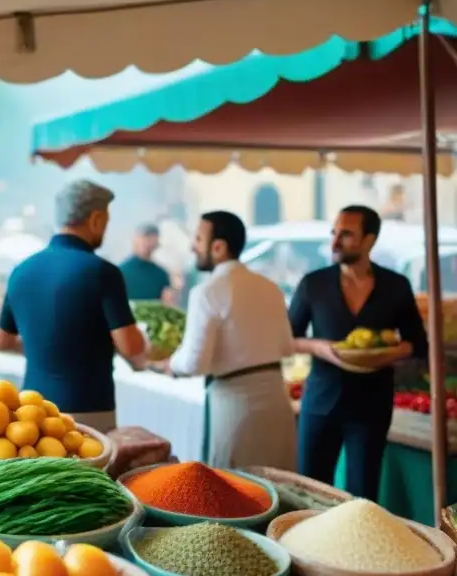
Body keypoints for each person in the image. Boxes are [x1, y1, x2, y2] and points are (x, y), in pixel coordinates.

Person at [290, 205, 428, 500]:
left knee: (363, 497)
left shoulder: (396, 286)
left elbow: (417, 343)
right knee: (309, 493)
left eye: (346, 234)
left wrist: (383, 355)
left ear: (369, 240)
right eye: (334, 233)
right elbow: (288, 339)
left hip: (371, 406)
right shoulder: (313, 283)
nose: (335, 242)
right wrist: (321, 348)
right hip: (319, 403)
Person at [0, 180, 146, 433]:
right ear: (95, 219)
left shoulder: (21, 271)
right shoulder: (103, 272)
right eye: (106, 220)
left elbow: (1, 340)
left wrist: (44, 346)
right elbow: (131, 346)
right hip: (88, 410)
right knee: (86, 473)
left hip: (32, 410)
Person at [154, 211, 297, 470]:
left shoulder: (207, 292)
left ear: (218, 247)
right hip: (278, 402)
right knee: (281, 490)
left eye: (198, 239)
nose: (192, 246)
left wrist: (168, 364)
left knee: (236, 494)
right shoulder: (270, 287)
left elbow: (194, 363)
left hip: (236, 406)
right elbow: (287, 347)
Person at [119, 223, 175, 304]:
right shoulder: (118, 273)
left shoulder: (161, 275)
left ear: (157, 244)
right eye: (145, 238)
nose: (147, 243)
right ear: (134, 240)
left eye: (151, 239)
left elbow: (168, 306)